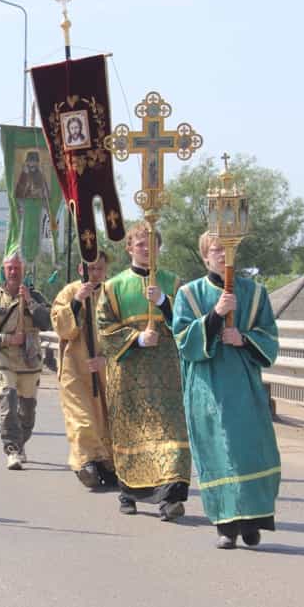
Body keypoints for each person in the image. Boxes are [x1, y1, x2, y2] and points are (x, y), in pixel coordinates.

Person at [174, 232, 280, 549]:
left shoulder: (256, 293)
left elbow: (270, 336)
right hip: (208, 386)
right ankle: (225, 525)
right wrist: (216, 315)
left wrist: (244, 338)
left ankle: (253, 522)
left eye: (227, 250)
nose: (222, 256)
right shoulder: (189, 294)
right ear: (205, 257)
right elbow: (182, 339)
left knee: (249, 451)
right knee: (219, 451)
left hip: (245, 386)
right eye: (215, 251)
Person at [97, 222, 190, 521]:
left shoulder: (173, 284)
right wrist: (136, 338)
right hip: (129, 373)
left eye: (152, 244)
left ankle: (170, 499)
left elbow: (188, 324)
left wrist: (163, 302)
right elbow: (104, 329)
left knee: (170, 434)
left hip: (166, 374)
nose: (146, 249)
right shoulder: (113, 287)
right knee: (133, 433)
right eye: (140, 244)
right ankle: (129, 492)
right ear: (129, 248)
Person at [0, 252, 52, 468]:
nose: (13, 272)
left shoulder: (35, 297)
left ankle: (20, 442)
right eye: (10, 268)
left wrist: (29, 302)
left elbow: (47, 323)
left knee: (27, 413)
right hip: (4, 360)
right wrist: (8, 339)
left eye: (17, 268)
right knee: (8, 404)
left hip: (30, 362)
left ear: (23, 270)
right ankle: (12, 449)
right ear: (4, 269)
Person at [50, 252, 115, 487]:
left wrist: (106, 358)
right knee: (82, 418)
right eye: (91, 268)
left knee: (106, 418)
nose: (95, 273)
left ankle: (107, 463)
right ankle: (86, 462)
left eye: (100, 268)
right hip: (75, 368)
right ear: (81, 269)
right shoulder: (69, 292)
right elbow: (61, 327)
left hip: (104, 368)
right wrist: (77, 301)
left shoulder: (112, 292)